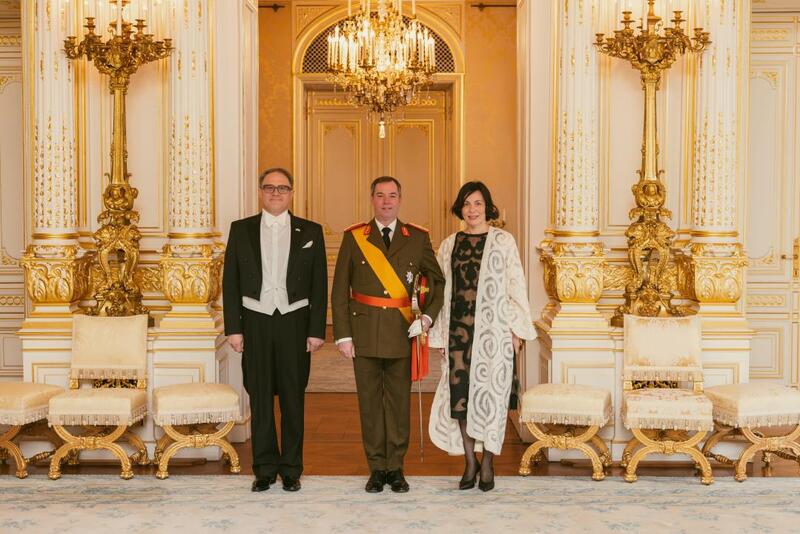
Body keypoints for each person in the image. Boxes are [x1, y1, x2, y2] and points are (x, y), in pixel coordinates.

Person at [331, 176, 445, 494]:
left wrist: (427, 319)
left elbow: (437, 282)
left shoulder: (417, 238)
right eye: (380, 195)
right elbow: (340, 290)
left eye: (392, 195)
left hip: (401, 331)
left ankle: (395, 468)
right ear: (372, 199)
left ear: (400, 200)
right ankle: (376, 468)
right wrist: (343, 335)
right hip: (364, 332)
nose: (386, 201)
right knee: (369, 404)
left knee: (398, 404)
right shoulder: (355, 237)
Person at [222, 167, 327, 493]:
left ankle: (292, 469)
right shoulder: (240, 229)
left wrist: (316, 330)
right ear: (260, 192)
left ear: (292, 192)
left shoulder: (311, 230)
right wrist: (234, 328)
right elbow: (230, 281)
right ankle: (265, 469)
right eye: (269, 187)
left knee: (294, 398)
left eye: (282, 188)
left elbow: (319, 283)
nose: (276, 193)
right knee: (260, 396)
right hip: (255, 319)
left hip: (295, 321)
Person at [427, 181, 536, 492]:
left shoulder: (503, 241)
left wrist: (516, 331)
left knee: (493, 398)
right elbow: (442, 292)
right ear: (459, 209)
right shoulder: (449, 244)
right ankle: (469, 461)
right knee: (461, 397)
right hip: (458, 333)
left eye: (477, 203)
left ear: (487, 207)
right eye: (466, 204)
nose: (472, 209)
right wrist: (440, 335)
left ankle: (488, 461)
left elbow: (516, 285)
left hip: (495, 333)